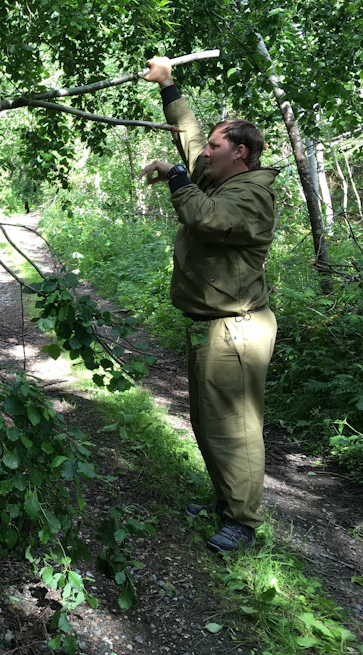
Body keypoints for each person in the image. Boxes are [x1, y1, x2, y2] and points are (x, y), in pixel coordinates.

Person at [139, 56, 278, 553]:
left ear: (240, 153)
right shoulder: (220, 174)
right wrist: (169, 84)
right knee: (208, 420)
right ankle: (226, 502)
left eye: (218, 148)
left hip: (238, 328)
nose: (206, 154)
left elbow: (208, 220)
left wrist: (176, 175)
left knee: (235, 427)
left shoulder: (251, 194)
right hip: (215, 325)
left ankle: (243, 521)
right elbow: (192, 139)